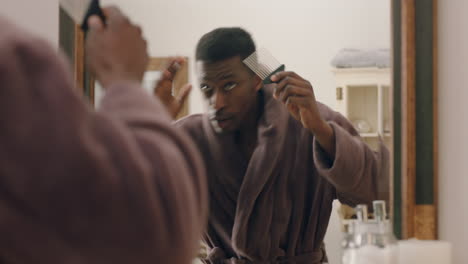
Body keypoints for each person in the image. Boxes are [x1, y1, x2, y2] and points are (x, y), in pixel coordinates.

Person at [155, 27, 389, 264]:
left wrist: (322, 131)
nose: (217, 103)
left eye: (229, 86)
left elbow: (378, 191)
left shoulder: (311, 121)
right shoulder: (189, 139)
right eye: (207, 88)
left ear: (256, 80)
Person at [0, 7, 206, 264]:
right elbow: (152, 234)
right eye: (208, 88)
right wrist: (123, 78)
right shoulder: (12, 59)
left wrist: (152, 118)